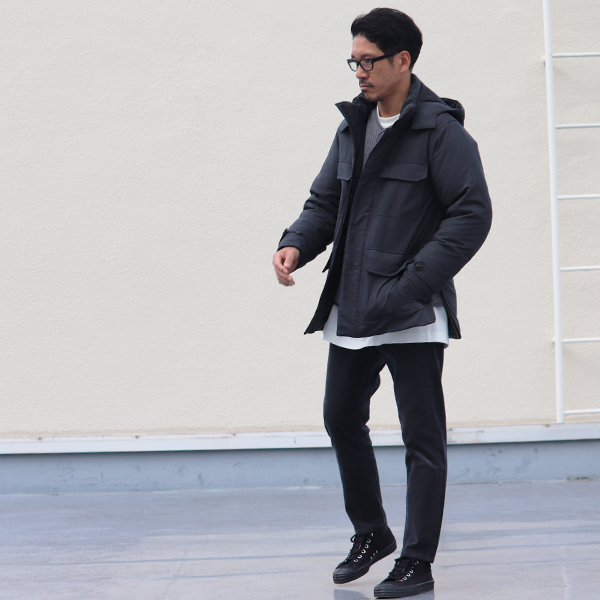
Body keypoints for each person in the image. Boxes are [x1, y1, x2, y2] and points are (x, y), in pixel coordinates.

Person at [272, 8, 492, 598]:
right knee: (341, 417)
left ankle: (417, 561)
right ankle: (372, 532)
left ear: (404, 60)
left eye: (369, 61)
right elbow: (325, 202)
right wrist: (296, 243)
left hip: (412, 311)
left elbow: (471, 217)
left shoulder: (441, 132)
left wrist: (411, 286)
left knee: (422, 437)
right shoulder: (353, 127)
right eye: (354, 61)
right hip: (355, 303)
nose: (360, 72)